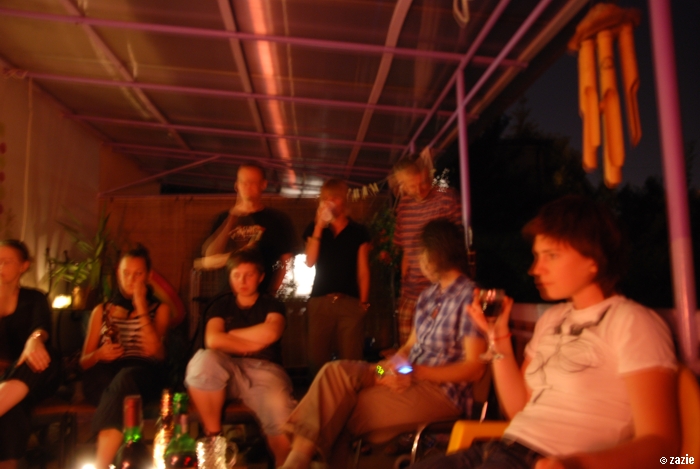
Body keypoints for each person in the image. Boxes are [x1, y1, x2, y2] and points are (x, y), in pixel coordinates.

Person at [412, 195, 679, 469]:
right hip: (499, 449)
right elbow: (517, 409)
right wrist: (497, 337)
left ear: (594, 260)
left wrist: (575, 464)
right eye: (537, 256)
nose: (534, 269)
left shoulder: (632, 323)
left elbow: (665, 447)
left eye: (551, 255)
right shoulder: (552, 319)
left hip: (550, 462)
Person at [279, 219, 486, 469]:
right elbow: (409, 347)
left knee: (339, 411)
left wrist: (415, 372)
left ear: (437, 253)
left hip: (439, 392)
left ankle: (296, 460)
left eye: (420, 254)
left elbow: (475, 368)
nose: (418, 261)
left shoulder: (470, 296)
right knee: (336, 371)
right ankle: (298, 458)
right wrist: (391, 367)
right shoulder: (429, 296)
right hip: (400, 374)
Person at [185, 249, 296, 466]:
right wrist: (253, 343)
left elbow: (271, 332)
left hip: (266, 371)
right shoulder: (220, 305)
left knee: (281, 423)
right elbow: (213, 340)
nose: (242, 281)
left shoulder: (272, 305)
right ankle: (214, 437)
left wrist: (231, 335)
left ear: (260, 277)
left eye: (249, 275)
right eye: (236, 275)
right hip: (225, 369)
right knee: (204, 361)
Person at [80, 245, 171, 469]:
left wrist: (141, 306)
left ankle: (101, 464)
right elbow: (84, 361)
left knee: (126, 378)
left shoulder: (160, 309)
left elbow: (156, 353)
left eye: (138, 274)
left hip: (142, 376)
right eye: (126, 273)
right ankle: (125, 459)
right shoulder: (102, 310)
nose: (131, 279)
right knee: (116, 386)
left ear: (148, 275)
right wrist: (99, 353)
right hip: (105, 376)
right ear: (118, 274)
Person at [0, 240, 61, 469]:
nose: (0, 267)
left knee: (40, 357)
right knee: (13, 408)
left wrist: (34, 341)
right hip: (5, 385)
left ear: (23, 266)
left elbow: (41, 329)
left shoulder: (34, 298)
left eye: (6, 262)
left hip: (34, 374)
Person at [393, 156, 461, 346]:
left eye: (421, 183)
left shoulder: (446, 197)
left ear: (426, 175)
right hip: (411, 292)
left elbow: (458, 245)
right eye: (410, 186)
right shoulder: (404, 206)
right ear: (401, 185)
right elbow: (405, 248)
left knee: (434, 346)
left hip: (440, 291)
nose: (418, 190)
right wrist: (404, 282)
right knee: (406, 348)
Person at [304, 178, 371, 373]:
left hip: (349, 301)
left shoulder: (359, 231)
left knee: (352, 359)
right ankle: (319, 392)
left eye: (335, 197)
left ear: (344, 200)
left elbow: (363, 270)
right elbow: (309, 261)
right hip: (320, 301)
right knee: (317, 358)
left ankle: (358, 390)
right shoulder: (314, 229)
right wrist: (319, 225)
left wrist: (363, 303)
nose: (330, 202)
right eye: (326, 198)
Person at [202, 163, 297, 296]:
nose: (247, 186)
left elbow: (286, 261)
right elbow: (208, 260)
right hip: (227, 295)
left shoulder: (277, 219)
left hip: (262, 295)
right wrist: (231, 220)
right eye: (243, 182)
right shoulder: (223, 218)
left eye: (252, 182)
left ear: (263, 184)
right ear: (237, 185)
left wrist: (273, 292)